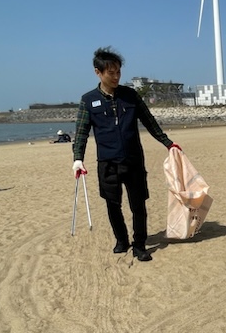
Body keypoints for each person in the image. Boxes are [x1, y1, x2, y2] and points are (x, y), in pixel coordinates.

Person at [71, 47, 181, 262]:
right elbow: (82, 132)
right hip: (107, 163)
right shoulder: (88, 100)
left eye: (118, 72)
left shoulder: (130, 96)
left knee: (138, 204)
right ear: (98, 72)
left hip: (133, 161)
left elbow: (149, 121)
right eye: (111, 73)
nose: (116, 77)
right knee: (113, 204)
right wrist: (77, 159)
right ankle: (121, 240)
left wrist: (168, 143)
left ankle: (139, 245)